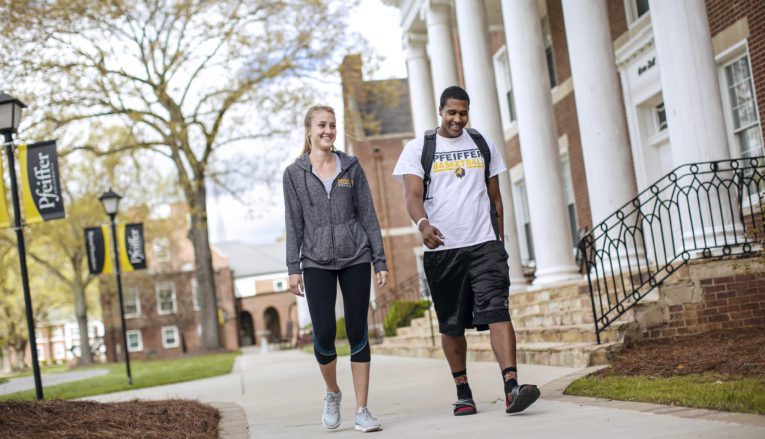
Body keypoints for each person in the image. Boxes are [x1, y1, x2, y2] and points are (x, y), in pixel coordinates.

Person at [392, 86, 539, 416]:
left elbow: (495, 197)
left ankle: (511, 387)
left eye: (463, 113)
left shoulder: (482, 143)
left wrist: (498, 242)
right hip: (444, 249)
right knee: (451, 324)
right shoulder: (419, 148)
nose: (457, 119)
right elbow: (412, 195)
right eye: (451, 113)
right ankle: (463, 391)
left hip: (484, 244)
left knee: (498, 310)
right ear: (440, 111)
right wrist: (423, 225)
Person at [283, 104, 388, 432]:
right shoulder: (294, 174)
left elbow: (368, 215)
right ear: (309, 130)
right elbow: (293, 224)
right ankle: (332, 392)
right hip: (315, 261)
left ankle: (362, 409)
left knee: (358, 329)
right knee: (325, 332)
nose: (328, 130)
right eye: (322, 125)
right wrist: (293, 267)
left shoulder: (351, 167)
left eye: (332, 125)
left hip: (355, 255)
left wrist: (379, 259)